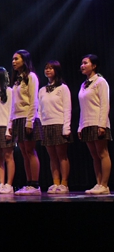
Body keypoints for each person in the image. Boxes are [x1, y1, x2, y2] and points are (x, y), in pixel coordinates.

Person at [10, 49, 42, 195]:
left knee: (30, 151)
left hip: (28, 117)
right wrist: (11, 122)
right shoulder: (17, 80)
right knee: (23, 152)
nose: (14, 61)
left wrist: (30, 121)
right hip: (17, 118)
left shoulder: (31, 77)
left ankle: (35, 185)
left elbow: (33, 100)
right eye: (13, 59)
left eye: (17, 59)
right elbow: (13, 103)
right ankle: (29, 183)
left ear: (24, 60)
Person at [78, 54, 111, 195]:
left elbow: (105, 104)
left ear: (94, 65)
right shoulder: (84, 84)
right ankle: (98, 184)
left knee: (102, 153)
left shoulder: (100, 81)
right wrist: (80, 126)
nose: (82, 65)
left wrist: (102, 125)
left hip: (98, 122)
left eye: (85, 63)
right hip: (87, 123)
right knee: (94, 156)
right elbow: (82, 107)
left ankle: (104, 184)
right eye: (82, 63)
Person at [38, 61, 72, 194]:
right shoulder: (42, 90)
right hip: (46, 125)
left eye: (51, 68)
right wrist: (40, 126)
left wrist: (66, 127)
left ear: (56, 70)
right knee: (52, 156)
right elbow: (39, 110)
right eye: (46, 68)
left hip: (59, 123)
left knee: (61, 155)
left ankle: (64, 183)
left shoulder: (63, 88)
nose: (48, 70)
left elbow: (67, 108)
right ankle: (55, 182)